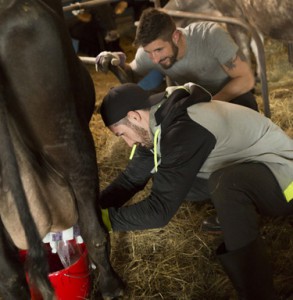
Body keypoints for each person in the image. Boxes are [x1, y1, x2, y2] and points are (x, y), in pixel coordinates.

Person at [99, 82, 293, 299]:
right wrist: (90, 211)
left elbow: (160, 211)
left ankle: (258, 294)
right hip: (253, 172)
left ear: (134, 117)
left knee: (225, 183)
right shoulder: (157, 121)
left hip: (286, 182)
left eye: (122, 134)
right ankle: (235, 215)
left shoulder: (184, 128)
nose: (127, 144)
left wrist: (101, 221)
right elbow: (131, 179)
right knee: (171, 178)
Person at [96, 7, 258, 110]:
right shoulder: (150, 53)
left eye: (159, 50)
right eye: (149, 52)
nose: (154, 59)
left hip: (231, 99)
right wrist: (115, 63)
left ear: (175, 36)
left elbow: (246, 79)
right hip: (193, 103)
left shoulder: (210, 36)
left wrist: (210, 105)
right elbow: (131, 75)